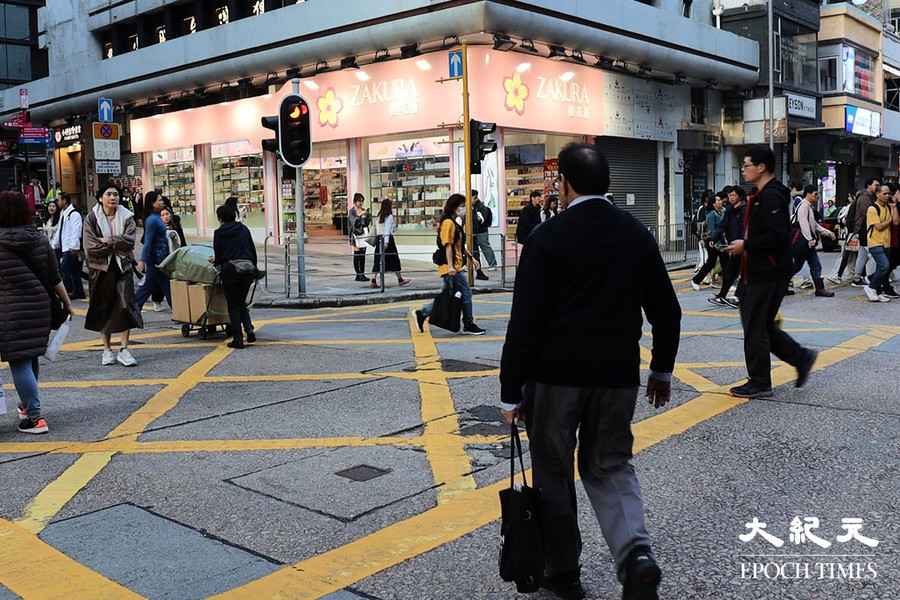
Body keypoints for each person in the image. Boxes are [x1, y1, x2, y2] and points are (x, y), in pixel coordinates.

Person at [500, 144, 681, 600]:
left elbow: (524, 321)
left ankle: (563, 573)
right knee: (609, 465)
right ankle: (635, 555)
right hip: (617, 377)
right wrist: (660, 370)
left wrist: (510, 391)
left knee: (555, 473)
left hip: (554, 378)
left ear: (566, 183)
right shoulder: (635, 235)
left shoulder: (547, 237)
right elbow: (668, 311)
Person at [725, 147, 818, 399]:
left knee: (755, 326)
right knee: (761, 325)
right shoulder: (760, 194)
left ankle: (760, 382)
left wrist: (746, 245)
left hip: (767, 271)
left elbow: (778, 237)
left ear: (761, 167)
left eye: (746, 165)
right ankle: (801, 357)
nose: (743, 169)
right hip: (757, 270)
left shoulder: (772, 196)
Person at [0, 191, 73, 434]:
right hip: (40, 307)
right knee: (30, 356)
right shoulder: (39, 239)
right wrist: (67, 303)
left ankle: (34, 418)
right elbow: (55, 276)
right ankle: (26, 404)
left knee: (19, 361)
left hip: (9, 311)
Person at [83, 184, 143, 367]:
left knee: (125, 306)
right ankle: (107, 350)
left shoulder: (127, 216)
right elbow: (91, 247)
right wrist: (117, 244)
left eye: (116, 194)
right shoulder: (91, 218)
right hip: (100, 269)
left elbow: (130, 241)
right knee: (103, 307)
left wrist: (109, 240)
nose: (113, 197)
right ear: (101, 198)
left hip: (122, 267)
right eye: (109, 194)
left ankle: (124, 349)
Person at [415, 194, 486, 336]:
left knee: (448, 296)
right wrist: (451, 266)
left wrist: (471, 258)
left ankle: (423, 313)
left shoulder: (454, 222)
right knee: (465, 293)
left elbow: (458, 245)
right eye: (461, 205)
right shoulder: (448, 223)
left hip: (455, 266)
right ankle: (468, 323)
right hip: (451, 267)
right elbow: (447, 245)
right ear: (454, 207)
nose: (464, 208)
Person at [213, 204, 258, 348]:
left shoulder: (219, 233)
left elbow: (219, 256)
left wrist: (216, 264)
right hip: (247, 270)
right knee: (241, 302)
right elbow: (252, 250)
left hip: (231, 271)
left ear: (220, 218)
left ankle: (238, 339)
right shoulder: (244, 229)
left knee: (233, 305)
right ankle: (249, 331)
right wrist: (254, 269)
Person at [791, 184, 836, 298]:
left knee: (812, 265)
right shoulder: (804, 206)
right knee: (799, 265)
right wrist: (810, 239)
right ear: (808, 194)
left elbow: (814, 225)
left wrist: (828, 232)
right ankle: (779, 284)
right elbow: (803, 224)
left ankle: (819, 289)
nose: (818, 196)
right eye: (816, 194)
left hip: (806, 243)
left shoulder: (808, 206)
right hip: (803, 242)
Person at [862, 184, 900, 302]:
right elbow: (878, 227)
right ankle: (871, 287)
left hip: (886, 243)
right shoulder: (872, 209)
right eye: (884, 193)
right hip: (875, 242)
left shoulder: (888, 207)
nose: (887, 195)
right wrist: (888, 220)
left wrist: (893, 207)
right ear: (877, 194)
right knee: (884, 266)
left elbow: (896, 222)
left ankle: (877, 292)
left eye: (889, 193)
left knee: (882, 268)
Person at [709, 186, 745, 308]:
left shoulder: (745, 210)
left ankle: (739, 297)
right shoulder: (729, 210)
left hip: (744, 246)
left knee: (744, 273)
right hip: (734, 246)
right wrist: (713, 238)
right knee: (730, 272)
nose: (730, 198)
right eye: (729, 196)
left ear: (739, 196)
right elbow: (721, 226)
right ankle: (722, 295)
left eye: (733, 195)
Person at [135, 192, 172, 311]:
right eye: (159, 200)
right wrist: (142, 260)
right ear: (152, 203)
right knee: (150, 286)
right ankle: (133, 309)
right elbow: (147, 242)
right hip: (156, 259)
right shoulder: (152, 220)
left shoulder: (157, 218)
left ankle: (179, 311)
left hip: (162, 258)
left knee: (162, 285)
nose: (162, 202)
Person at [370, 198, 412, 288]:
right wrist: (386, 242)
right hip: (387, 241)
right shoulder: (389, 216)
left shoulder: (378, 216)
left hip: (379, 239)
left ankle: (373, 280)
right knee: (394, 260)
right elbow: (387, 230)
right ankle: (400, 279)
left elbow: (377, 229)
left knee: (378, 260)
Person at [691, 191, 726, 290]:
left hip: (719, 241)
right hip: (712, 242)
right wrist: (717, 243)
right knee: (712, 263)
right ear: (713, 203)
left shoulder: (721, 212)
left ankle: (726, 284)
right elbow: (712, 231)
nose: (720, 201)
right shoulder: (711, 214)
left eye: (720, 200)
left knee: (720, 263)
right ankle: (695, 280)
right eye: (718, 200)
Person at [55, 193, 87, 300]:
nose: (57, 202)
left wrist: (74, 247)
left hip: (71, 248)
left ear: (65, 201)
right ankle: (78, 292)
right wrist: (55, 244)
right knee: (74, 272)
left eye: (59, 200)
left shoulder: (74, 214)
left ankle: (71, 291)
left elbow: (76, 231)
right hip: (65, 247)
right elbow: (60, 230)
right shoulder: (63, 213)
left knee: (67, 271)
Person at [850, 178, 879, 287]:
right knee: (872, 254)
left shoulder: (868, 197)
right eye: (876, 185)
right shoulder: (864, 197)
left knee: (863, 255)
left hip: (863, 229)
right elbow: (867, 214)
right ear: (868, 185)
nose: (877, 187)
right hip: (864, 229)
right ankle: (872, 278)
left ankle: (857, 278)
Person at [471, 190, 497, 280]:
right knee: (474, 251)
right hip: (473, 232)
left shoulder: (481, 207)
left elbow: (481, 219)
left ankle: (492, 264)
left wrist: (475, 216)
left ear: (474, 197)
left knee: (485, 247)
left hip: (481, 232)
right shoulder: (472, 206)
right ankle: (478, 268)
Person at [348, 193, 370, 282]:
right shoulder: (352, 211)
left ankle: (362, 274)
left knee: (363, 254)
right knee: (357, 254)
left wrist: (366, 216)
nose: (360, 203)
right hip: (355, 235)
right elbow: (354, 223)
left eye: (362, 201)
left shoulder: (363, 210)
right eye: (359, 201)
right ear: (355, 201)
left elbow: (367, 222)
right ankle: (358, 274)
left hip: (363, 234)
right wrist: (360, 215)